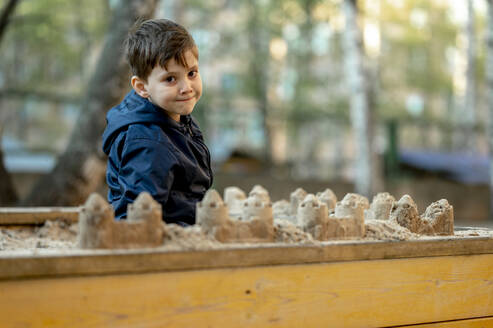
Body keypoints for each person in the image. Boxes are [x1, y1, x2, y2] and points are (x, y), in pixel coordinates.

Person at [102, 19, 213, 225]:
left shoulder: (177, 117)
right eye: (170, 79)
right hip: (165, 237)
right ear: (142, 87)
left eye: (192, 73)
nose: (186, 87)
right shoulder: (148, 143)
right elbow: (139, 217)